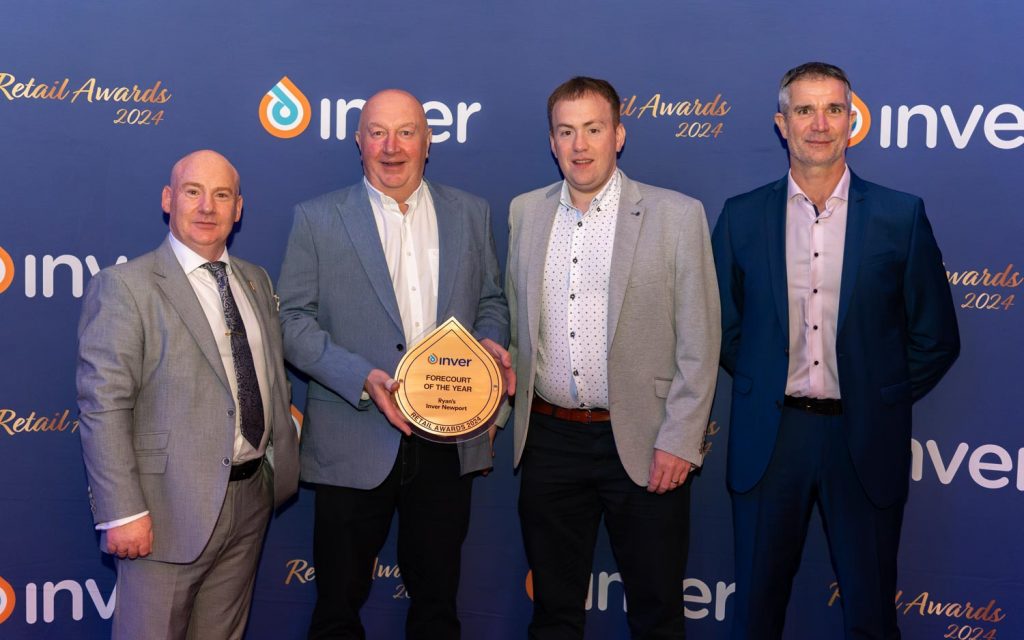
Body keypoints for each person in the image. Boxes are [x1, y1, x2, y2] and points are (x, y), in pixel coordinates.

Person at [712, 62, 960, 639]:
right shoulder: (741, 216)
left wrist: (879, 391)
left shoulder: (901, 215)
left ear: (852, 120)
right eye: (804, 110)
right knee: (754, 615)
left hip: (864, 438)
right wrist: (766, 377)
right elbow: (722, 327)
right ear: (782, 124)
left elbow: (935, 337)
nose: (819, 124)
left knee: (872, 616)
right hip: (771, 442)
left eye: (832, 110)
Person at [277, 88, 513, 640]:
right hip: (352, 436)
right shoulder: (318, 218)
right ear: (358, 142)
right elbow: (290, 322)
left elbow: (491, 302)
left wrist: (489, 346)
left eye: (406, 132)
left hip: (447, 439)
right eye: (377, 133)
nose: (391, 147)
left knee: (437, 609)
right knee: (337, 611)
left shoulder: (470, 213)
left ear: (427, 143)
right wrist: (361, 377)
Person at [505, 76, 720, 639]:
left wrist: (680, 440)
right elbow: (514, 322)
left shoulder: (676, 215)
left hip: (648, 442)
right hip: (550, 441)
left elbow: (700, 343)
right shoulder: (525, 213)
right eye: (566, 131)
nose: (580, 145)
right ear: (551, 142)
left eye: (594, 129)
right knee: (553, 612)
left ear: (619, 136)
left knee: (655, 613)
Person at [76, 149, 299, 639]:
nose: (207, 207)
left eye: (222, 195)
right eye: (193, 192)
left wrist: (275, 465)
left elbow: (265, 377)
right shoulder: (125, 287)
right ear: (168, 199)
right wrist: (122, 511)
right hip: (164, 511)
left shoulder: (256, 280)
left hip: (250, 500)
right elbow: (104, 407)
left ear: (238, 208)